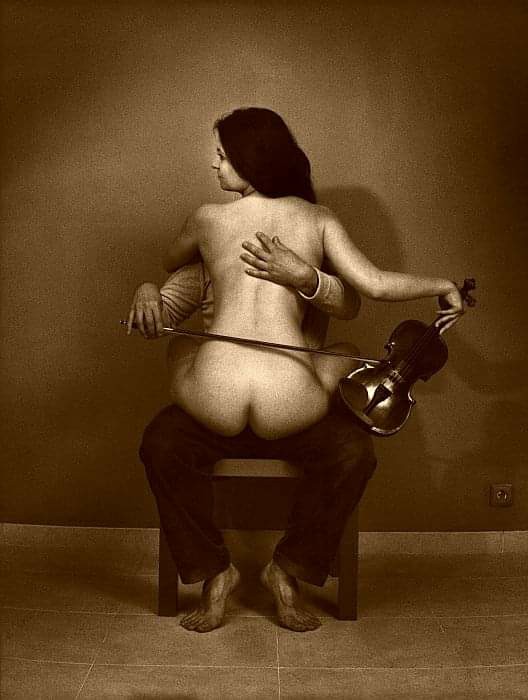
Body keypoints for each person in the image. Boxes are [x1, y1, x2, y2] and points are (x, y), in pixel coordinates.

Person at [132, 107, 464, 633]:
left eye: (222, 156)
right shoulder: (318, 219)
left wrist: (305, 277)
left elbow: (171, 258)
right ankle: (215, 572)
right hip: (291, 404)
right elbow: (376, 283)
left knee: (349, 450)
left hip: (216, 400)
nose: (214, 166)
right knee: (161, 443)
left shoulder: (206, 219)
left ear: (251, 160)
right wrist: (443, 284)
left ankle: (286, 570)